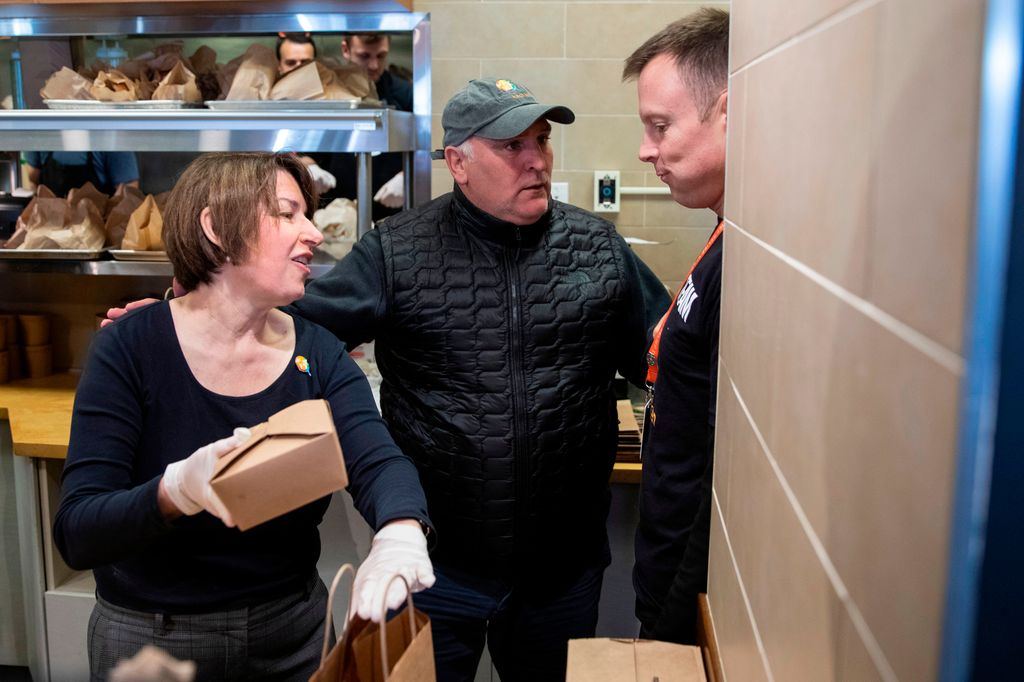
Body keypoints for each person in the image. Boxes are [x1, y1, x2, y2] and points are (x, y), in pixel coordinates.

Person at [106, 78, 669, 681]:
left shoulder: (598, 249)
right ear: (459, 163)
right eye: (512, 146)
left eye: (542, 140)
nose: (537, 159)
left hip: (562, 571)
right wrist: (193, 315)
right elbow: (294, 320)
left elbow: (670, 361)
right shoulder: (399, 251)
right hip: (435, 565)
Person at [57, 152, 434, 681]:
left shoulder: (318, 353)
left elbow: (377, 461)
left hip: (295, 634)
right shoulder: (131, 348)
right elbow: (79, 531)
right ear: (215, 227)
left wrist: (400, 530)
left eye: (309, 214)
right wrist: (173, 492)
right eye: (287, 213)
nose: (313, 234)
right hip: (156, 640)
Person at [622, 8, 729, 645]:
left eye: (661, 126)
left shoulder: (743, 262)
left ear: (731, 113)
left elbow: (718, 467)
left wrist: (674, 613)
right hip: (664, 574)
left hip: (684, 597)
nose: (645, 150)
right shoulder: (723, 236)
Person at [317, 32, 411, 221]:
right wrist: (309, 166)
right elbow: (302, 144)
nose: (374, 65)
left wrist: (407, 177)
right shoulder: (326, 91)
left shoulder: (404, 93)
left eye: (381, 56)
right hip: (334, 215)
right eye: (364, 56)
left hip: (391, 216)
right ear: (346, 49)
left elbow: (422, 145)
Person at [23, 151, 139, 197]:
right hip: (50, 230)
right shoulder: (40, 129)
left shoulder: (108, 132)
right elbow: (33, 179)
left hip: (99, 234)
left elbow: (128, 191)